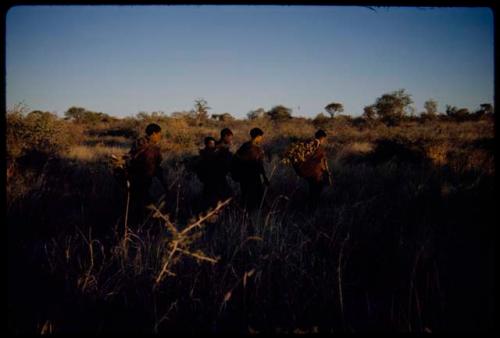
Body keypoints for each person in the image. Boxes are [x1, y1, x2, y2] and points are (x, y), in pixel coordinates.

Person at [126, 123, 167, 229]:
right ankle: (145, 227)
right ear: (153, 134)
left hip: (136, 179)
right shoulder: (151, 148)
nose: (159, 137)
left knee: (138, 203)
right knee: (147, 204)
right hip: (140, 179)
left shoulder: (138, 143)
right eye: (159, 134)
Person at [233, 128, 270, 211]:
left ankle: (250, 215)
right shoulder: (252, 148)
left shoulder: (246, 146)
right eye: (261, 137)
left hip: (249, 177)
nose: (261, 138)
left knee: (251, 197)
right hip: (250, 177)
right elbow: (259, 164)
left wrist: (264, 177)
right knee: (252, 197)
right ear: (257, 136)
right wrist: (264, 177)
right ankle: (248, 215)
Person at [297, 129, 330, 210]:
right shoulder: (318, 146)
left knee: (312, 191)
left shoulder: (308, 145)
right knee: (316, 192)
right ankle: (312, 209)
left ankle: (310, 208)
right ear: (322, 138)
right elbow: (322, 160)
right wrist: (326, 171)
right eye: (323, 139)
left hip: (309, 173)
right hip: (316, 173)